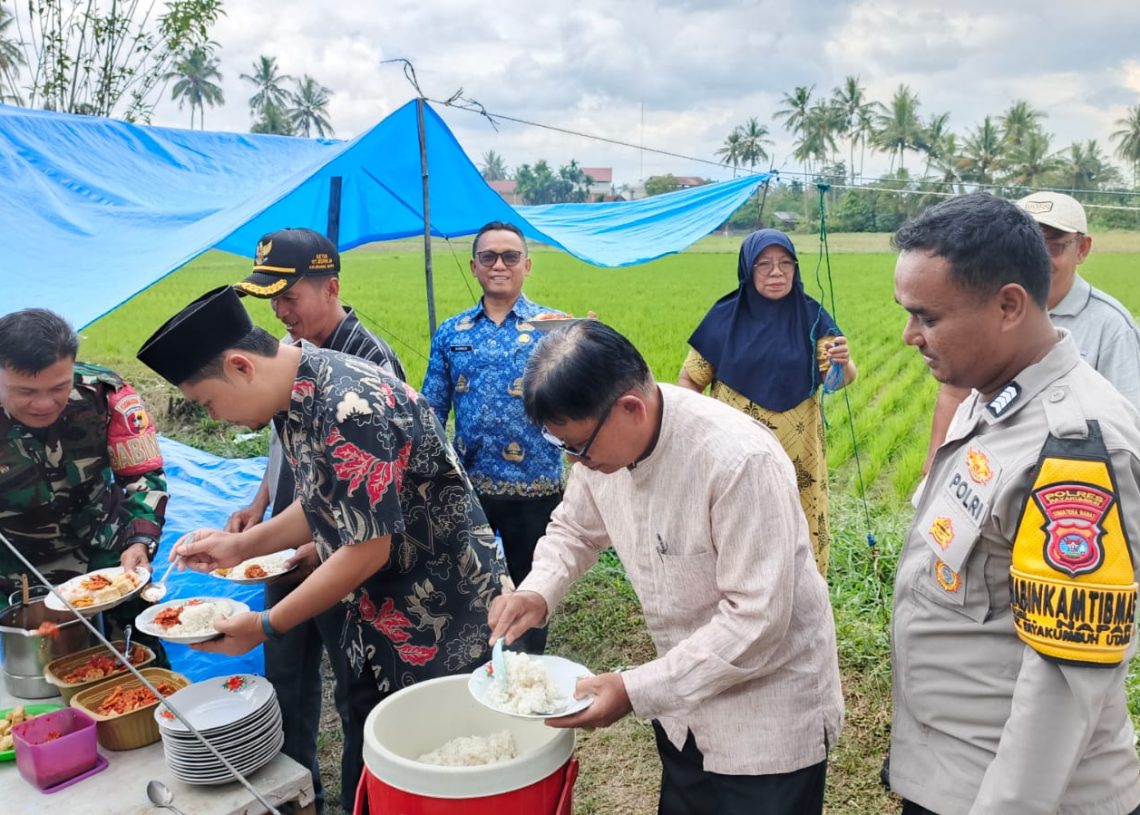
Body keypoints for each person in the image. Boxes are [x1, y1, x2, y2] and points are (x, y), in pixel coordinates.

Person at [137, 286, 507, 799]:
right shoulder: (295, 392)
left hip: (443, 609)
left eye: (209, 403)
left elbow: (365, 548)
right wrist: (240, 546)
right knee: (377, 740)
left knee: (444, 760)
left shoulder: (347, 405)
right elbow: (323, 502)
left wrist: (266, 625)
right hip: (379, 606)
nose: (216, 418)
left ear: (242, 367)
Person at [490, 320, 843, 815]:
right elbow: (575, 529)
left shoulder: (738, 461)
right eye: (561, 447)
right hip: (683, 704)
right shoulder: (603, 455)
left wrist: (633, 690)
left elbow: (757, 619)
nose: (574, 462)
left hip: (768, 715)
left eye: (578, 447)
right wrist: (538, 591)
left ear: (630, 408)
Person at [889, 192, 1140, 815]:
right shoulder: (992, 390)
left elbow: (1064, 678)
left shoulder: (1071, 447)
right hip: (953, 766)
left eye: (928, 317)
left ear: (1008, 305)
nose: (908, 336)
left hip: (1015, 792)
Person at [225, 227, 406, 815]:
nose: (281, 312)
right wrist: (259, 505)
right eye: (271, 300)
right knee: (284, 673)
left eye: (290, 297)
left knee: (357, 690)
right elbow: (289, 449)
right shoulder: (288, 352)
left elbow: (375, 505)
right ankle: (297, 798)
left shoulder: (369, 365)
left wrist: (308, 547)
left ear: (330, 288)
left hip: (351, 543)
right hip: (292, 527)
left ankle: (359, 800)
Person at [422, 221, 565, 653]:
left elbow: (577, 400)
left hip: (536, 486)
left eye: (510, 256)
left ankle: (526, 667)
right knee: (469, 585)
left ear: (527, 265)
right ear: (474, 266)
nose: (499, 265)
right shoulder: (452, 333)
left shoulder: (553, 327)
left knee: (530, 586)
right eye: (489, 257)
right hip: (470, 489)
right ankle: (477, 665)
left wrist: (588, 343)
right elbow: (431, 409)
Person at [678, 228, 856, 576]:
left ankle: (801, 607)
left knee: (799, 536)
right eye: (764, 264)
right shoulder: (725, 318)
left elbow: (835, 381)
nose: (777, 273)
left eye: (785, 263)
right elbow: (690, 380)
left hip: (800, 458)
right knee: (740, 533)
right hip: (735, 456)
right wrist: (688, 438)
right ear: (748, 268)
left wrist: (843, 362)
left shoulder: (812, 317)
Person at [923, 191, 1140, 472]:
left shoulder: (1111, 326)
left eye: (1054, 246)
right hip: (987, 472)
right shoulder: (988, 308)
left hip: (1065, 482)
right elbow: (955, 394)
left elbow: (1129, 422)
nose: (1037, 258)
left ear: (1082, 249)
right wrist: (933, 471)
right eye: (1028, 245)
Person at [0, 308, 168, 655]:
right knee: (39, 678)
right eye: (26, 391)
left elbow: (144, 478)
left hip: (108, 556)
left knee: (138, 658)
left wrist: (140, 542)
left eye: (58, 387)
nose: (45, 403)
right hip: (18, 572)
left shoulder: (106, 397)